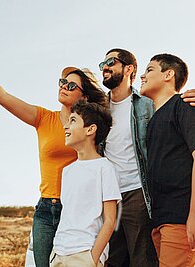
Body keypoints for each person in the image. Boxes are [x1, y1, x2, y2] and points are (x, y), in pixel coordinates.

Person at [0, 28, 108, 267]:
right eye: (62, 82)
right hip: (46, 208)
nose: (64, 86)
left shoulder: (92, 126)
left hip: (78, 210)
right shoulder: (43, 118)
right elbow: (1, 96)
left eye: (72, 85)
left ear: (84, 96)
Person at [98, 48, 195, 267]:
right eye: (102, 64)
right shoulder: (98, 108)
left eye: (111, 62)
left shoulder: (149, 103)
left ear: (128, 68)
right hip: (112, 199)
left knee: (144, 261)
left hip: (144, 198)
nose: (105, 67)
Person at [140, 53, 195, 267]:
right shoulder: (155, 117)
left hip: (182, 216)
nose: (142, 76)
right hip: (163, 217)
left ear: (168, 74)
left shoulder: (184, 105)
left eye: (149, 70)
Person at [50, 100, 121, 267]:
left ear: (91, 129)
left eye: (73, 120)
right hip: (59, 253)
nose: (66, 127)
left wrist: (92, 258)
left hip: (84, 254)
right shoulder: (67, 171)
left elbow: (110, 220)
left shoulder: (104, 167)